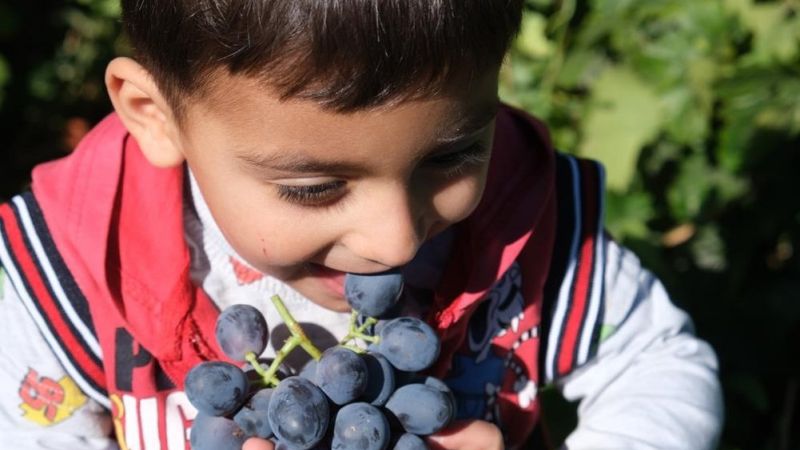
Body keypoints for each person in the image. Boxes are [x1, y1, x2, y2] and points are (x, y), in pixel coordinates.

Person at [0, 1, 723, 449]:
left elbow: (657, 363)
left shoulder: (528, 226)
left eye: (452, 156)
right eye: (314, 188)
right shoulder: (69, 278)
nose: (395, 242)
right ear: (154, 116)